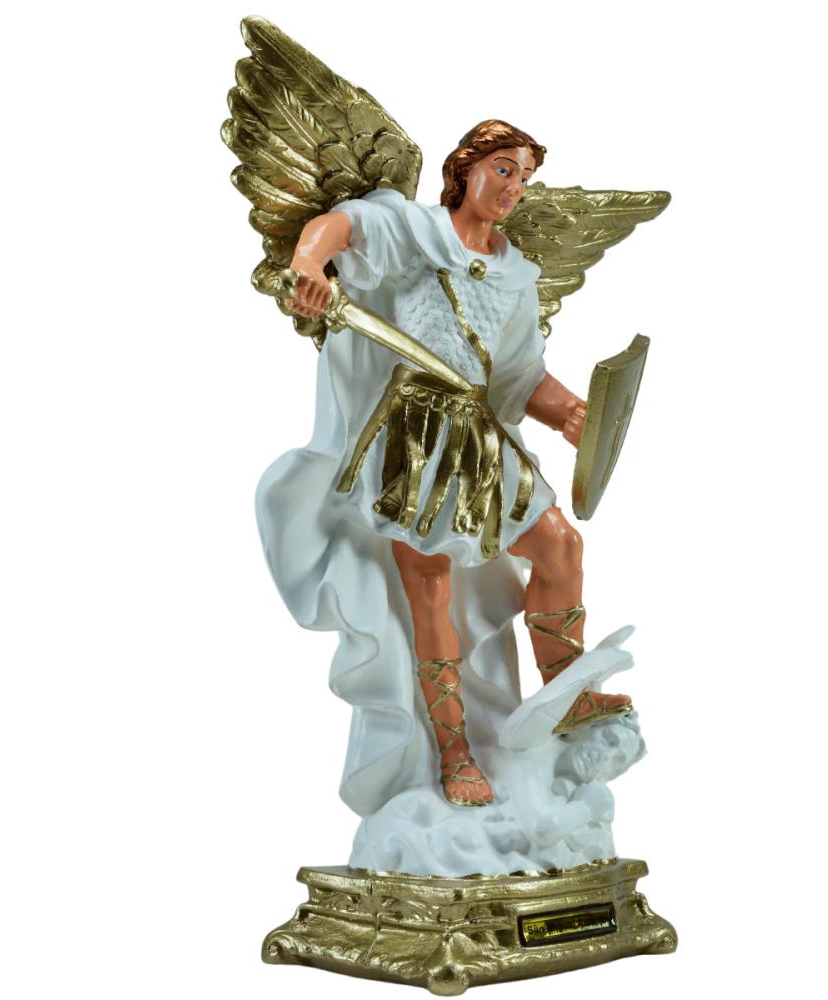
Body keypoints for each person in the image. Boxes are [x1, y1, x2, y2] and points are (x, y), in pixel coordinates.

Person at [259, 120, 631, 812]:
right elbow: (343, 226)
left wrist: (569, 413)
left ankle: (568, 693)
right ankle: (454, 753)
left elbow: (518, 376)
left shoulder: (517, 275)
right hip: (413, 437)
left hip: (481, 437)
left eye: (524, 176)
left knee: (560, 546)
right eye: (503, 169)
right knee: (428, 589)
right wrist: (310, 264)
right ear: (466, 169)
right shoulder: (414, 233)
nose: (514, 187)